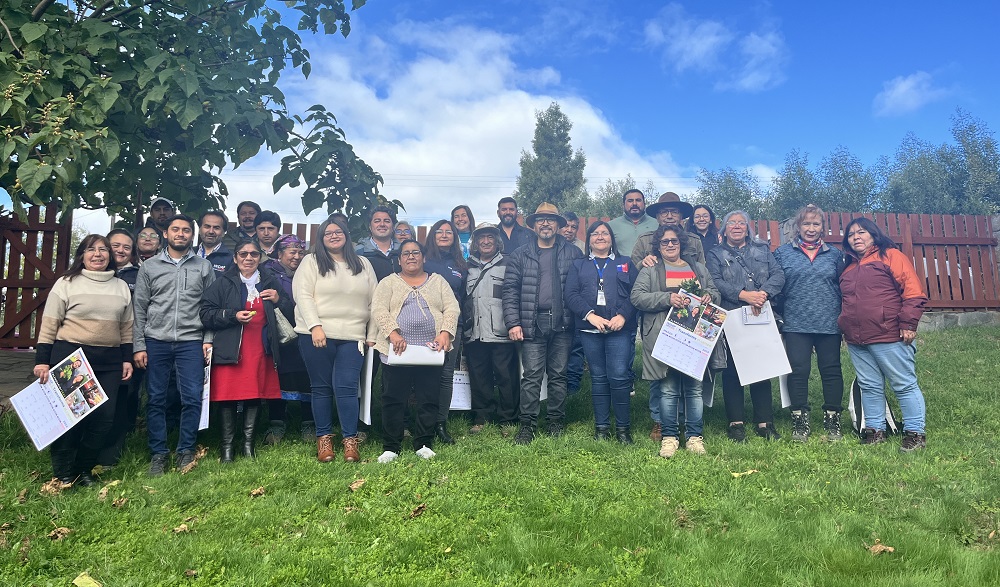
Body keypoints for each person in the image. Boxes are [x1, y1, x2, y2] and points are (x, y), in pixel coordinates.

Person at [33, 235, 134, 486]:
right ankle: (64, 473)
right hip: (71, 358)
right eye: (91, 249)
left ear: (110, 256)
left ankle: (84, 470)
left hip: (109, 361)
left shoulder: (120, 286)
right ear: (82, 255)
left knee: (104, 419)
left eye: (103, 250)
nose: (98, 254)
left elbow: (126, 327)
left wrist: (126, 359)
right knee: (71, 418)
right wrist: (42, 360)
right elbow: (49, 324)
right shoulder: (66, 283)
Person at [133, 214, 216, 476]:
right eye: (175, 230)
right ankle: (158, 454)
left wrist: (208, 340)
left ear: (193, 235)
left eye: (186, 231)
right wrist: (139, 345)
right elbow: (140, 309)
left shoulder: (203, 267)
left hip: (191, 341)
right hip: (156, 340)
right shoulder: (150, 267)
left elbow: (210, 307)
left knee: (191, 398)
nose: (181, 234)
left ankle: (185, 451)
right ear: (166, 234)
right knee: (156, 399)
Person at [839, 217, 928, 451]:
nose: (856, 237)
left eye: (862, 232)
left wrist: (909, 323)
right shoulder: (847, 267)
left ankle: (916, 433)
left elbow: (913, 291)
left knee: (904, 384)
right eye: (851, 234)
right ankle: (875, 430)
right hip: (857, 339)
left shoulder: (891, 256)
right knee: (869, 386)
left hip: (889, 334)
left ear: (873, 234)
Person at [293, 217, 377, 463]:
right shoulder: (311, 262)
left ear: (346, 235)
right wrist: (315, 326)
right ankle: (324, 440)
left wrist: (371, 336)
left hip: (353, 336)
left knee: (347, 388)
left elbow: (375, 302)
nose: (333, 235)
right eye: (327, 233)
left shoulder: (363, 264)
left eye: (338, 231)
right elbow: (303, 296)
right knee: (321, 388)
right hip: (317, 334)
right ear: (321, 238)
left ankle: (350, 441)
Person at [632, 225, 720, 457]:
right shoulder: (650, 270)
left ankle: (694, 437)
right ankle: (669, 437)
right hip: (665, 337)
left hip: (695, 339)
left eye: (674, 241)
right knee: (668, 389)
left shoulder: (698, 268)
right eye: (665, 242)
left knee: (694, 389)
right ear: (658, 246)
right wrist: (667, 298)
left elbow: (715, 292)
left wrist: (710, 295)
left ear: (681, 243)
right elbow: (637, 297)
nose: (670, 245)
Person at [201, 241, 292, 462]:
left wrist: (279, 299)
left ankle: (248, 447)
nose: (248, 258)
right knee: (228, 397)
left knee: (255, 396)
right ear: (235, 258)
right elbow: (205, 313)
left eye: (253, 254)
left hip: (261, 348)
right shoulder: (223, 283)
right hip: (231, 348)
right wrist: (233, 316)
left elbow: (290, 310)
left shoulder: (269, 281)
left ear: (260, 257)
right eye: (243, 254)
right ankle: (227, 449)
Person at [502, 202, 584, 445]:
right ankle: (527, 425)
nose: (545, 223)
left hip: (563, 323)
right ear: (534, 225)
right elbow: (509, 291)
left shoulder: (573, 253)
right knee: (532, 377)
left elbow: (581, 288)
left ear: (558, 225)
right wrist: (513, 323)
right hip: (531, 323)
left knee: (559, 375)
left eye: (550, 219)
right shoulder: (520, 254)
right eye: (541, 220)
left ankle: (556, 422)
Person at [371, 239, 459, 462]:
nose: (411, 256)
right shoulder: (388, 282)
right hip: (397, 350)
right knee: (393, 398)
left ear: (424, 257)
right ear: (399, 259)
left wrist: (445, 333)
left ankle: (423, 443)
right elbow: (379, 308)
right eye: (406, 253)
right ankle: (391, 446)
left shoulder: (438, 282)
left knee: (428, 398)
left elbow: (452, 307)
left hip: (430, 351)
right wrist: (392, 332)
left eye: (415, 253)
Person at [630, 192, 705, 441]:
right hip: (659, 321)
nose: (670, 215)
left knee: (687, 373)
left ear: (682, 216)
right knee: (660, 375)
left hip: (690, 322)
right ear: (658, 216)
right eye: (664, 212)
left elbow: (702, 277)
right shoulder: (644, 241)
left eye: (674, 211)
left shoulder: (694, 241)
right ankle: (660, 422)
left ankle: (686, 421)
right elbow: (633, 276)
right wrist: (644, 263)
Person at [706, 210, 785, 443]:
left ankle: (764, 421)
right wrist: (743, 295)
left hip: (760, 312)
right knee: (733, 371)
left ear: (748, 228)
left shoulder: (762, 250)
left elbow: (779, 274)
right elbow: (714, 281)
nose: (737, 226)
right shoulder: (715, 253)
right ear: (724, 229)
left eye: (742, 223)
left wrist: (763, 294)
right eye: (732, 223)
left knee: (762, 367)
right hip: (732, 315)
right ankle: (736, 423)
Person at [773, 205, 847, 442]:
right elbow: (776, 286)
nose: (811, 229)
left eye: (816, 224)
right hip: (796, 322)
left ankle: (833, 419)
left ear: (822, 227)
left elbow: (843, 288)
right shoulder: (783, 253)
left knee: (831, 370)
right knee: (798, 371)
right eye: (806, 224)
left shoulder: (835, 255)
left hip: (829, 322)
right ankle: (799, 421)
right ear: (798, 227)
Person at [565, 221, 638, 443]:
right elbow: (571, 294)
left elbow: (635, 293)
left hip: (619, 329)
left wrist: (623, 317)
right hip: (590, 329)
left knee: (618, 376)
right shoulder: (579, 265)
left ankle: (623, 430)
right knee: (598, 378)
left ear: (611, 239)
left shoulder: (625, 263)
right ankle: (602, 428)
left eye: (604, 233)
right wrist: (590, 315)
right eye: (595, 233)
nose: (600, 237)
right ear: (589, 239)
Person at [464, 223, 519, 433]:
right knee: (479, 377)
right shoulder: (467, 266)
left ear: (497, 241)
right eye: (481, 238)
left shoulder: (509, 263)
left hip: (502, 332)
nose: (486, 242)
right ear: (476, 243)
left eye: (490, 238)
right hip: (475, 333)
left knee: (506, 377)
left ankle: (508, 419)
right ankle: (482, 417)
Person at [261, 235, 314, 444]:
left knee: (308, 376)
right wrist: (281, 301)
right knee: (279, 376)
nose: (297, 256)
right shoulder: (267, 274)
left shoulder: (309, 272)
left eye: (301, 252)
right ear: (280, 254)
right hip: (280, 334)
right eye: (292, 252)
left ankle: (309, 423)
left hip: (307, 332)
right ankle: (276, 423)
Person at [95, 229, 141, 470]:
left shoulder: (139, 275)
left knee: (121, 398)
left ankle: (110, 454)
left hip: (125, 346)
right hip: (91, 346)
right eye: (115, 245)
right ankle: (82, 450)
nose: (120, 250)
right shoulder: (89, 275)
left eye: (126, 247)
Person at [424, 219, 468, 444]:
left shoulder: (461, 264)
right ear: (433, 235)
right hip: (423, 325)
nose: (443, 235)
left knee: (445, 375)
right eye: (439, 231)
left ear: (454, 237)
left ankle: (440, 423)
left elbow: (465, 296)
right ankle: (422, 421)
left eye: (448, 232)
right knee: (422, 373)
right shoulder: (423, 259)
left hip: (452, 326)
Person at [607, 189, 657, 262]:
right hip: (621, 270)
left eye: (638, 200)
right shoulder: (611, 226)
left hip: (650, 270)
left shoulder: (657, 224)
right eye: (630, 201)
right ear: (623, 205)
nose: (634, 203)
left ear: (644, 204)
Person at [356, 206, 400, 281]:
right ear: (370, 226)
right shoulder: (358, 252)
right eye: (377, 221)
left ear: (393, 227)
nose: (382, 224)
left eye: (387, 221)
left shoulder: (403, 251)